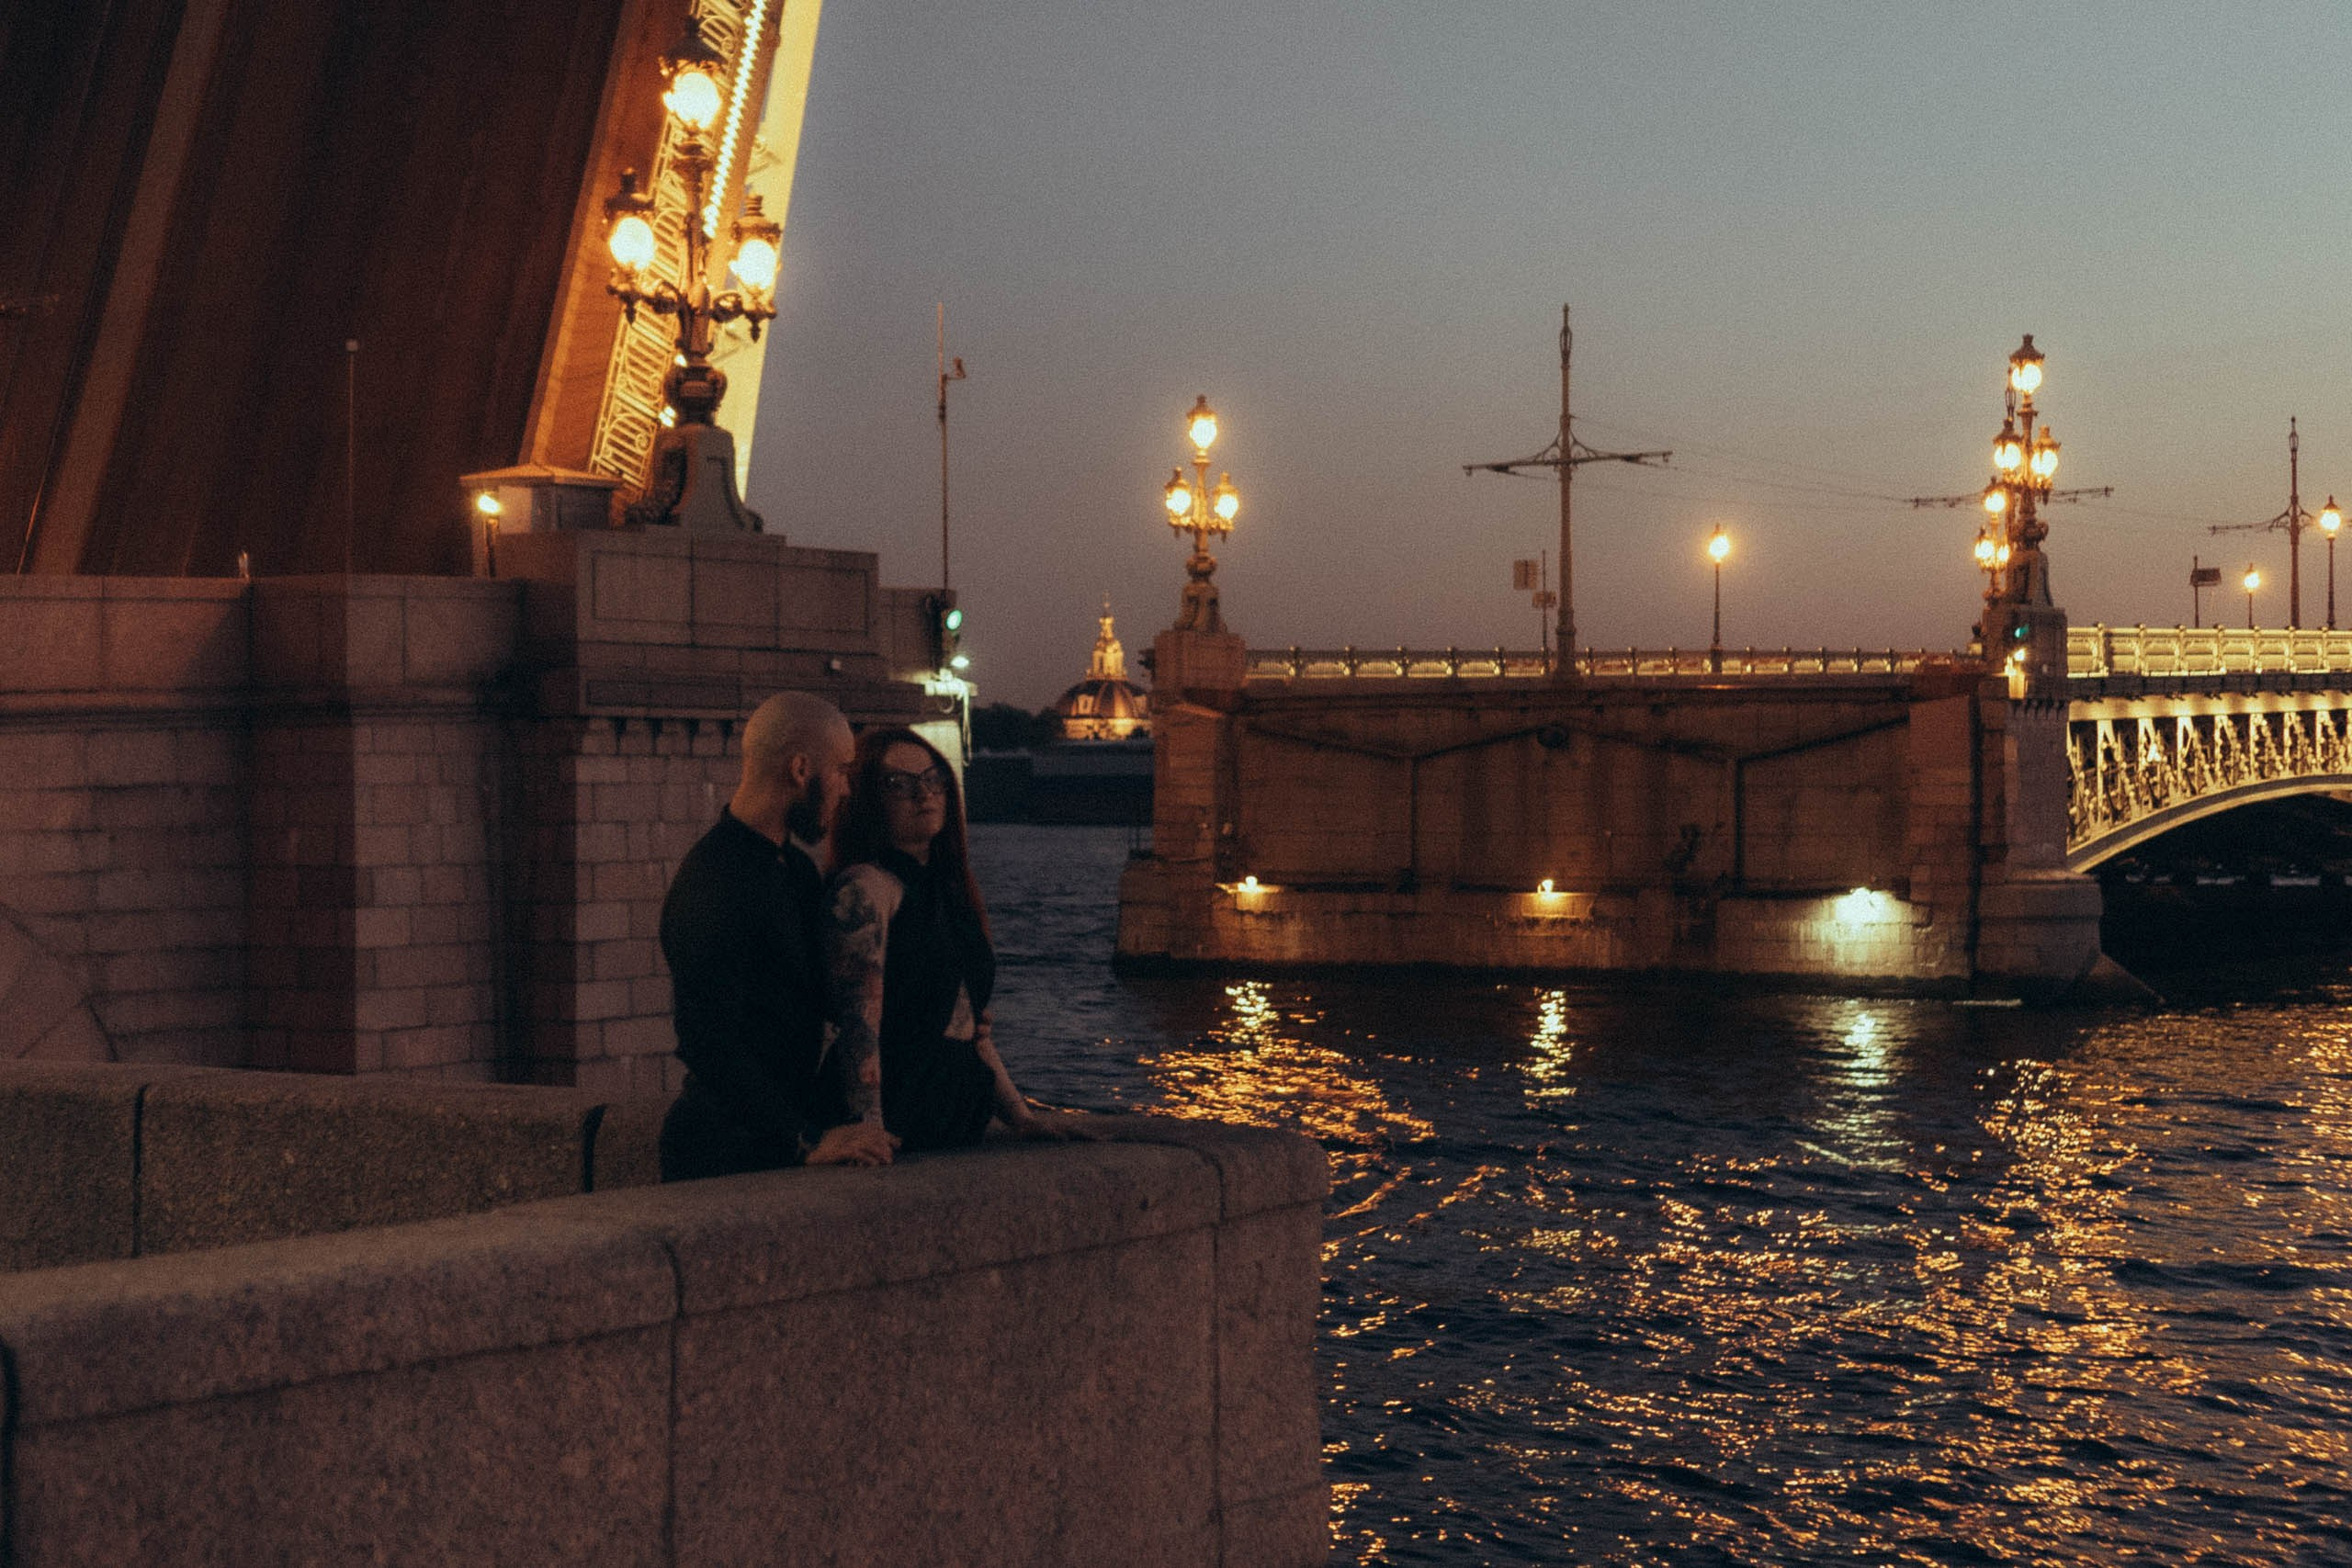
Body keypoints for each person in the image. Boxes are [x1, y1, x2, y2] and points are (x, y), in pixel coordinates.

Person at [657, 692, 898, 1180]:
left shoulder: (796, 871)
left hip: (769, 1143)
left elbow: (831, 998)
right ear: (802, 770)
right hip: (723, 1155)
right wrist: (805, 1140)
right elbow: (707, 1039)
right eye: (841, 771)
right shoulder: (714, 878)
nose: (846, 790)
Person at [821, 727, 1088, 1150]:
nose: (923, 794)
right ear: (867, 799)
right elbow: (859, 1024)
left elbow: (967, 1022)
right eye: (898, 784)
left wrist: (1020, 1116)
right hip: (903, 1115)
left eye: (933, 779)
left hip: (955, 1114)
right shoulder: (867, 888)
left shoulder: (948, 888)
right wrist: (867, 1127)